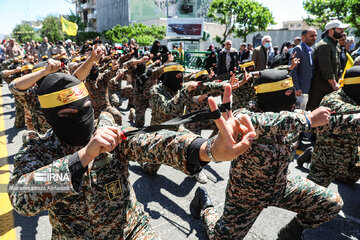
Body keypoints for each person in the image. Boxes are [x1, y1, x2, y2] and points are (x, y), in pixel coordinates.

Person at [8, 65, 256, 238]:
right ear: (50, 118)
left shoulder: (106, 130)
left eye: (85, 108)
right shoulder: (38, 149)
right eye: (67, 115)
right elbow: (21, 198)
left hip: (131, 230)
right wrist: (83, 157)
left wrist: (209, 150)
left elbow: (157, 142)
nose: (81, 118)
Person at [190, 69, 344, 240]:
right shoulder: (245, 116)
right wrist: (307, 120)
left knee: (331, 203)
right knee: (221, 238)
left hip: (282, 185)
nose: (293, 102)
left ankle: (290, 233)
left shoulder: (293, 116)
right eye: (288, 95)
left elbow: (332, 123)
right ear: (272, 96)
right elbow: (267, 122)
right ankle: (205, 205)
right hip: (246, 194)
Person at [308, 66, 360, 187]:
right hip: (326, 161)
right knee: (316, 196)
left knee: (349, 180)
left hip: (351, 161)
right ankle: (311, 155)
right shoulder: (332, 100)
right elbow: (352, 116)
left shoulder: (355, 98)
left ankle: (310, 153)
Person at [307, 19, 349, 111]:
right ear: (331, 31)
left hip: (330, 87)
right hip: (320, 89)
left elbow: (337, 65)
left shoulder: (336, 44)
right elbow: (326, 69)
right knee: (315, 113)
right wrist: (334, 85)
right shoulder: (324, 45)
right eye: (340, 29)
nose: (343, 32)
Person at [291, 28, 318, 109]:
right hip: (300, 90)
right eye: (311, 36)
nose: (314, 38)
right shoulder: (298, 49)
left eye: (315, 36)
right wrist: (296, 88)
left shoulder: (311, 50)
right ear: (303, 38)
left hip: (307, 89)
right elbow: (293, 70)